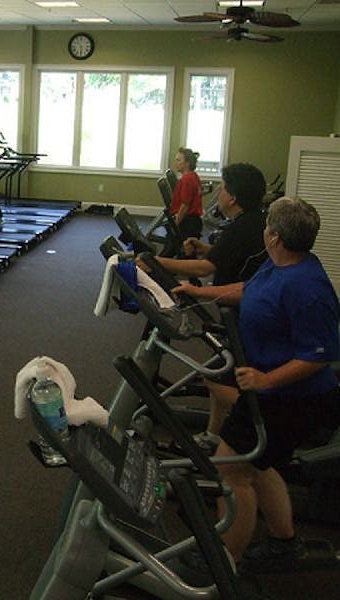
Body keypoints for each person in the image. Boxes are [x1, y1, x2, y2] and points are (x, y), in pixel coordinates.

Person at [173, 197, 340, 568]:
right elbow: (249, 289)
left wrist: (266, 379)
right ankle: (284, 542)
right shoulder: (280, 264)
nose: (264, 230)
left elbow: (318, 355)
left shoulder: (307, 287)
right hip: (277, 393)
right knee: (258, 466)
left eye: (267, 226)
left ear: (275, 236)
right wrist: (199, 292)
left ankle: (225, 560)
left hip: (295, 399)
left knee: (231, 469)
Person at [145, 162, 267, 451]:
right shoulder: (252, 222)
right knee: (219, 370)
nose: (219, 193)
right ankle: (213, 434)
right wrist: (206, 248)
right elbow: (229, 256)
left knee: (217, 380)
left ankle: (259, 423)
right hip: (240, 312)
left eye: (223, 188)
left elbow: (204, 269)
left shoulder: (241, 228)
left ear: (233, 197)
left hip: (248, 315)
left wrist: (157, 261)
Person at [169, 147, 203, 240]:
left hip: (188, 222)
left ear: (187, 163)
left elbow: (185, 205)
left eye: (178, 160)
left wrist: (175, 224)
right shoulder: (193, 176)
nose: (176, 163)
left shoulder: (187, 180)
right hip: (193, 221)